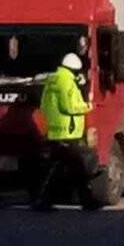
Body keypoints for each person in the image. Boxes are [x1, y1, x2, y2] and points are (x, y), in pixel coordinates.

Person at [33, 53, 92, 210]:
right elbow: (69, 107)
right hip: (68, 132)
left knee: (56, 169)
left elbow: (44, 105)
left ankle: (44, 201)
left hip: (55, 131)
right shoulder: (67, 82)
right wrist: (87, 106)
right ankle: (87, 201)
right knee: (77, 169)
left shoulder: (52, 79)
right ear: (74, 70)